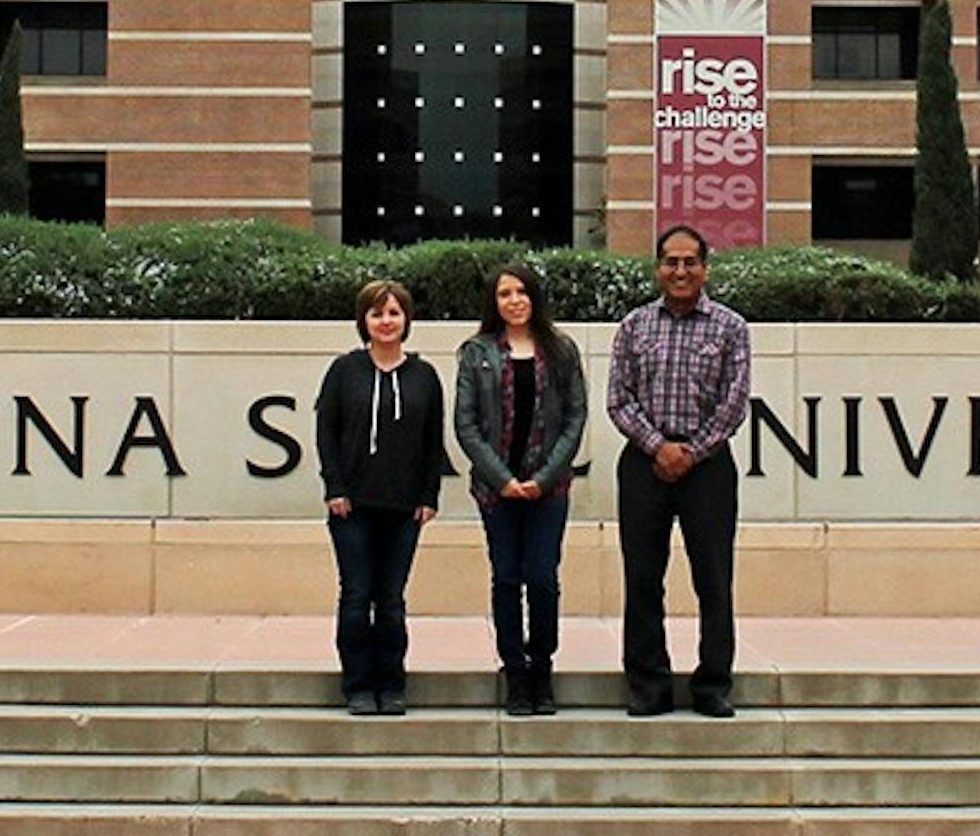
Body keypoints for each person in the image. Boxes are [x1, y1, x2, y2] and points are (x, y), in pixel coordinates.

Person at [607, 224, 751, 718]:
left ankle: (713, 685)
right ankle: (649, 685)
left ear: (705, 268)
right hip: (643, 465)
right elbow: (619, 400)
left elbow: (734, 404)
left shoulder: (731, 328)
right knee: (643, 579)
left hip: (708, 467)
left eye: (690, 262)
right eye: (671, 261)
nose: (680, 271)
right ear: (658, 268)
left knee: (713, 579)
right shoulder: (634, 326)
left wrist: (690, 452)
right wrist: (658, 446)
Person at [454, 264, 587, 716]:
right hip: (497, 492)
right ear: (494, 302)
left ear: (534, 297)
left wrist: (544, 478)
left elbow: (575, 417)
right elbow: (466, 425)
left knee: (543, 579)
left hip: (548, 490)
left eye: (521, 292)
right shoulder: (476, 353)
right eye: (504, 293)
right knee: (507, 578)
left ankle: (541, 668)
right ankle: (515, 672)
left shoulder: (561, 350)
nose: (514, 300)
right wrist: (504, 480)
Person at [315, 280, 443, 716]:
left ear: (406, 319)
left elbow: (432, 441)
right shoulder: (344, 371)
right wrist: (334, 487)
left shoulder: (424, 376)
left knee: (390, 600)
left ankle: (391, 685)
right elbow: (325, 432)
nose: (385, 321)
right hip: (351, 507)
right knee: (356, 596)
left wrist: (429, 496)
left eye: (393, 313)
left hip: (404, 508)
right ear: (363, 321)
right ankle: (357, 686)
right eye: (376, 313)